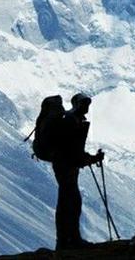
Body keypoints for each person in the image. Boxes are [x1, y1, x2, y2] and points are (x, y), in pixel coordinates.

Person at [51, 92, 104, 250]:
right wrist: (91, 159)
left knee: (68, 202)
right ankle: (69, 241)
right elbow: (73, 151)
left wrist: (89, 159)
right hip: (66, 167)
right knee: (71, 202)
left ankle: (67, 240)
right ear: (77, 104)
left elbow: (73, 151)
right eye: (84, 104)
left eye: (87, 104)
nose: (86, 107)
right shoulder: (72, 121)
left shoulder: (72, 119)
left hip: (65, 166)